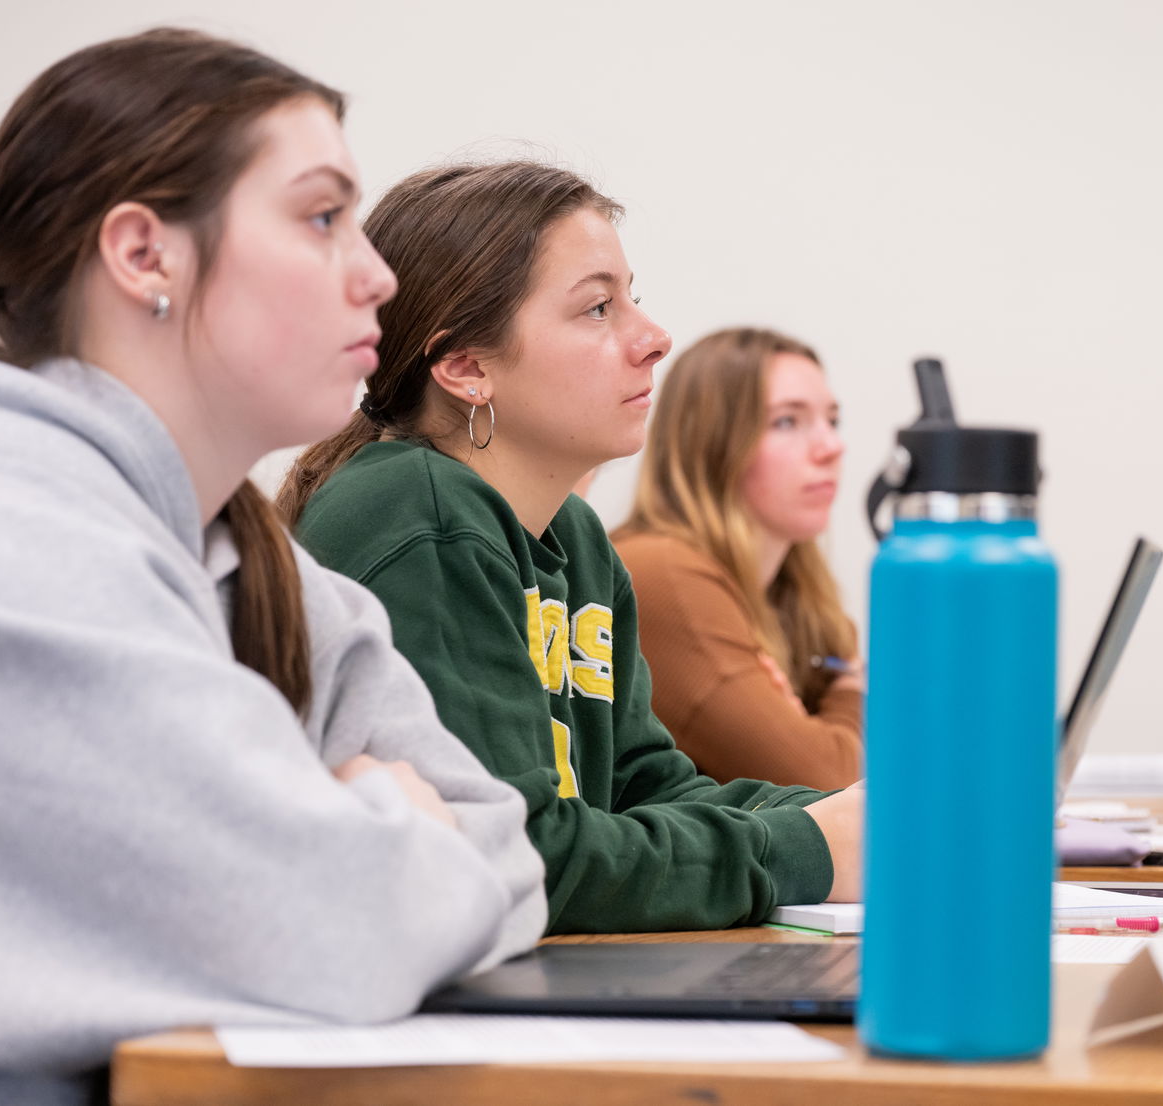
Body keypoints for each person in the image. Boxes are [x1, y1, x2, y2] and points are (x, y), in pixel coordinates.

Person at [0, 30, 545, 1105]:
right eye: (320, 216)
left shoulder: (257, 564)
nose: (377, 273)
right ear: (144, 253)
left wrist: (381, 849)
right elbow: (338, 924)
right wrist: (389, 831)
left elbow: (506, 847)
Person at [279, 162, 862, 935]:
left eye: (633, 299)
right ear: (466, 368)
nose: (654, 340)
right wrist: (805, 848)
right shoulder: (418, 515)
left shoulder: (574, 538)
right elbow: (523, 857)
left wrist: (863, 818)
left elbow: (641, 787)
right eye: (596, 308)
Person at [613, 328, 862, 789]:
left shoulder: (801, 599)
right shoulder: (661, 570)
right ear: (712, 443)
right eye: (788, 421)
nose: (831, 447)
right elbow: (828, 782)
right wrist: (855, 692)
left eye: (833, 420)